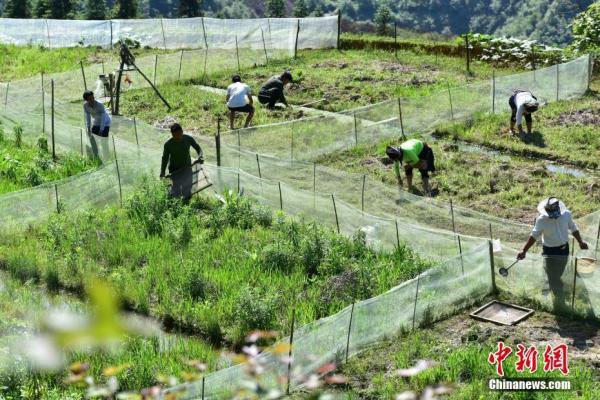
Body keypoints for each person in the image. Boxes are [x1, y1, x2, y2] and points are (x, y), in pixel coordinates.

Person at [517, 198, 588, 313]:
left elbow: (573, 228)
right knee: (554, 277)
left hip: (564, 250)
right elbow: (533, 236)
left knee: (558, 273)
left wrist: (580, 241)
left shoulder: (566, 215)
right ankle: (560, 303)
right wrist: (523, 250)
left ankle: (552, 289)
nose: (554, 216)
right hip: (549, 251)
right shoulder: (541, 220)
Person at [160, 123, 204, 200]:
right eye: (175, 136)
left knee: (187, 190)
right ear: (172, 134)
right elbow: (165, 159)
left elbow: (198, 148)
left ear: (182, 132)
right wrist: (162, 172)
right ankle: (177, 207)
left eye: (179, 134)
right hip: (174, 170)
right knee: (176, 191)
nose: (178, 137)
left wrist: (200, 156)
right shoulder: (168, 144)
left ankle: (186, 206)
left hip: (187, 168)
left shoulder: (188, 139)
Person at [83, 91, 111, 160]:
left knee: (103, 141)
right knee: (93, 140)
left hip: (105, 123)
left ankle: (106, 158)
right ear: (86, 100)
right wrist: (88, 128)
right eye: (90, 99)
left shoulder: (100, 105)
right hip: (96, 123)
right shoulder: (85, 106)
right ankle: (96, 157)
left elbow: (103, 118)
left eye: (93, 98)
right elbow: (87, 116)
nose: (92, 100)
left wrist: (101, 129)